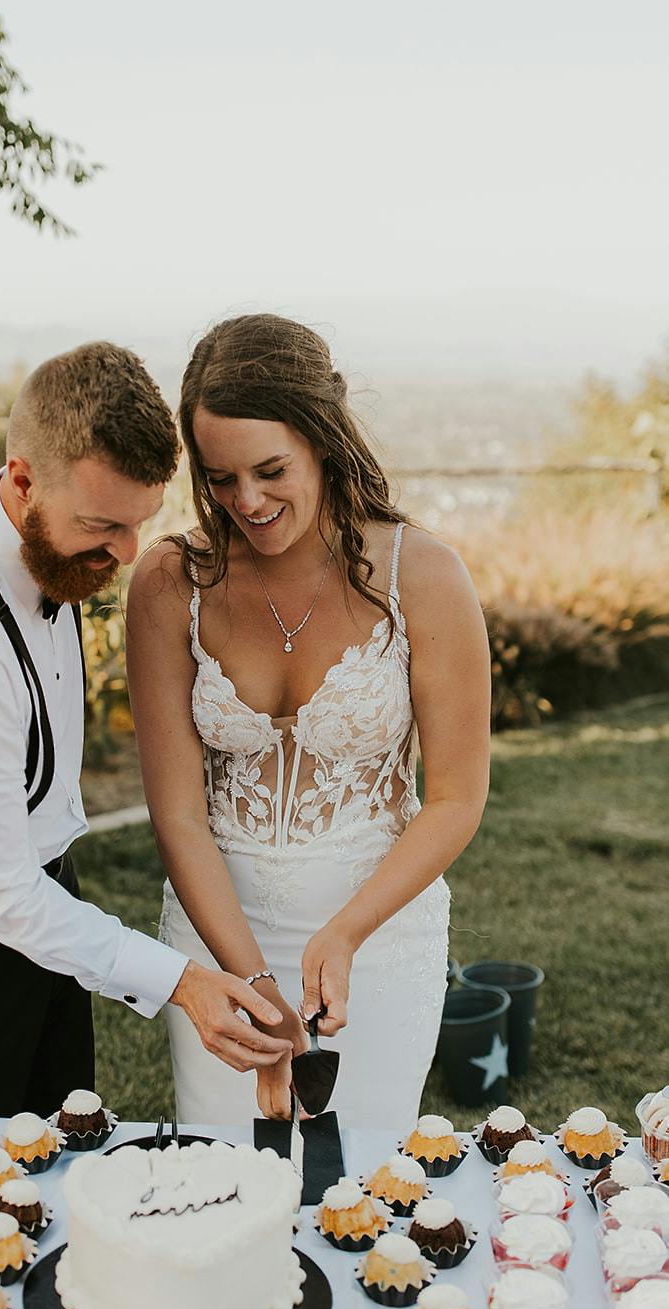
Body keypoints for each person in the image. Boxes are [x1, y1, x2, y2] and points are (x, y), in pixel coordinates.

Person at [0, 341, 287, 1116]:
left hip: (43, 905)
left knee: (60, 1147)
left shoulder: (34, 519)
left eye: (139, 523)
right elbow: (3, 894)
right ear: (21, 482)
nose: (127, 554)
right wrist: (183, 983)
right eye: (102, 524)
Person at [126, 314, 491, 1129]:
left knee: (367, 1181)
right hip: (218, 946)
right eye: (220, 479)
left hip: (377, 938)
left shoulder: (424, 576)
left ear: (322, 441)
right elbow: (177, 814)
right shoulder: (169, 582)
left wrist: (347, 933)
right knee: (227, 1176)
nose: (247, 502)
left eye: (269, 471)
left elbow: (455, 799)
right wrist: (252, 982)